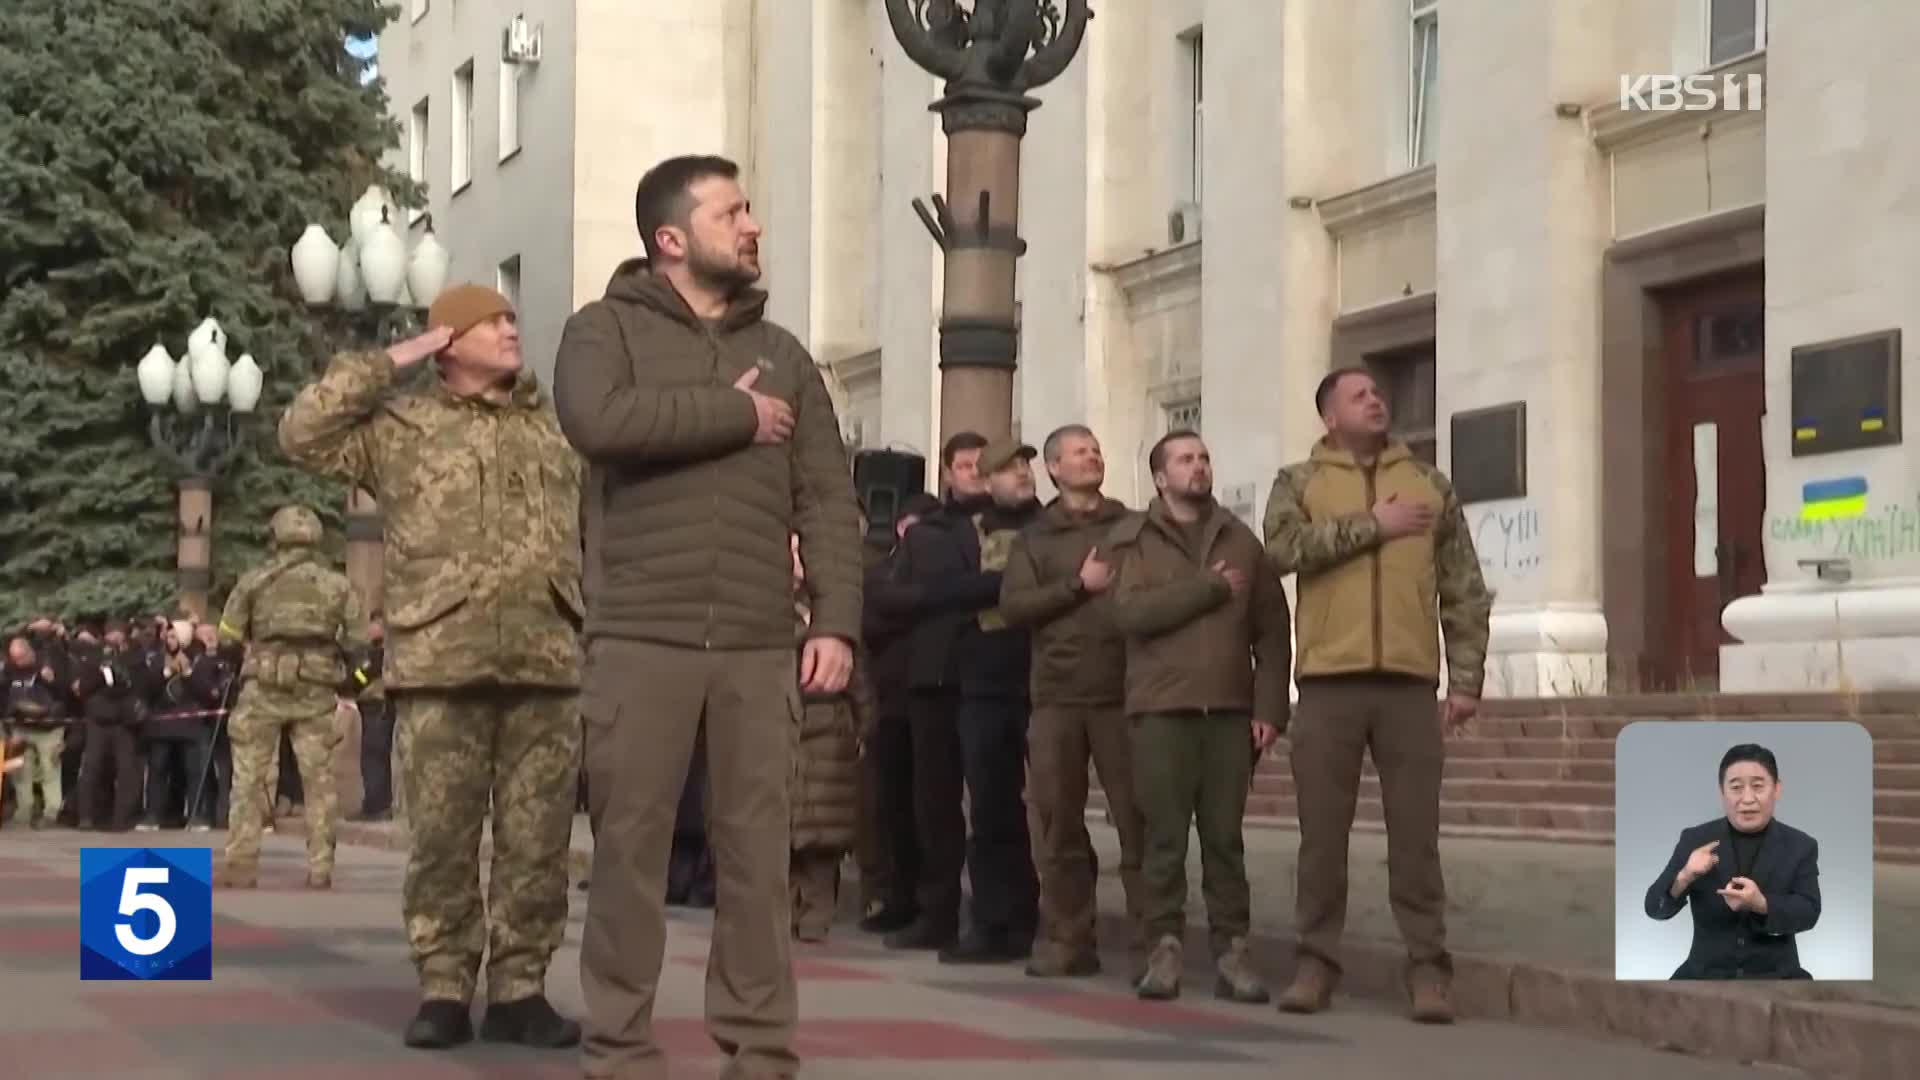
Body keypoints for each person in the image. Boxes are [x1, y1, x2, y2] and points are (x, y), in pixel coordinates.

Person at [551, 154, 861, 1080]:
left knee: (758, 857)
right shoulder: (602, 330)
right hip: (640, 637)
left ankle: (760, 1049)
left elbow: (830, 503)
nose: (753, 225)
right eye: (734, 212)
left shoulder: (789, 357)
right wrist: (731, 415)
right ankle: (619, 1049)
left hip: (761, 644)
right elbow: (597, 422)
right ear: (672, 239)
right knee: (629, 854)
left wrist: (837, 621)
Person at [280, 284, 586, 1051]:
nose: (514, 329)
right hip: (440, 658)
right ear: (449, 338)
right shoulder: (402, 424)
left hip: (545, 659)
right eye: (495, 320)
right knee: (443, 838)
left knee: (536, 840)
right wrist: (391, 360)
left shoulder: (554, 428)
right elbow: (301, 433)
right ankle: (445, 985)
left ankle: (521, 988)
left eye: (516, 317)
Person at [1262, 367, 1493, 1024]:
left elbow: (1464, 586)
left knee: (1416, 837)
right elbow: (1279, 550)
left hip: (1409, 687)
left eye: (1378, 393)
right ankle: (1314, 962)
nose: (1376, 400)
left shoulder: (1428, 484)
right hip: (1329, 686)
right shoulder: (1299, 482)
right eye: (1359, 395)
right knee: (1322, 838)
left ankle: (1428, 969)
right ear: (1330, 416)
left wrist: (1467, 678)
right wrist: (1372, 524)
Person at [1108, 431, 1290, 1004]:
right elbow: (1130, 614)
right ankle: (1163, 949)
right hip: (1161, 710)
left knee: (1224, 840)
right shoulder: (1133, 539)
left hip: (1229, 714)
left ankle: (1233, 952)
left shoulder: (1241, 540)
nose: (1199, 467)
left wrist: (1268, 709)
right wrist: (1207, 589)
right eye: (1185, 460)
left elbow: (1272, 631)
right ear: (1161, 478)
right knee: (1162, 839)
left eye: (1205, 457)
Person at [997, 424, 1144, 979]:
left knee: (1139, 821)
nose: (1092, 457)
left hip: (1124, 690)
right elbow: (1013, 608)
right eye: (1078, 452)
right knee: (1057, 823)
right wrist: (1076, 587)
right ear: (1054, 469)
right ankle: (1068, 937)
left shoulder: (1131, 528)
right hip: (1057, 695)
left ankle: (1150, 941)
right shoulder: (1035, 537)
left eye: (1097, 450)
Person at [871, 432, 990, 953]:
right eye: (964, 466)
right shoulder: (927, 533)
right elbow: (885, 599)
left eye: (982, 466)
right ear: (946, 472)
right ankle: (932, 910)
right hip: (930, 679)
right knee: (930, 805)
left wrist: (940, 598)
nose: (974, 474)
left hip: (990, 676)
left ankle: (995, 916)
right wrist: (970, 591)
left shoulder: (1006, 527)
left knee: (993, 806)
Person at [213, 507, 354, 890]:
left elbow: (227, 635)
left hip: (263, 686)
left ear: (274, 538)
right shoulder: (337, 586)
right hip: (316, 687)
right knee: (319, 781)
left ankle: (242, 864)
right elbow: (357, 641)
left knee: (249, 776)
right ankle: (321, 867)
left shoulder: (254, 581)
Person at [1644, 743, 1821, 980]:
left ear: (1777, 789)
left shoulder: (1801, 845)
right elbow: (1654, 909)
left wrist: (1762, 904)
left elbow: (1809, 912)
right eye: (1736, 787)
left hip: (1777, 976)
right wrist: (1685, 876)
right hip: (1704, 975)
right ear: (1722, 792)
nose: (1747, 799)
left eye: (1758, 786)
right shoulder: (1694, 839)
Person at [856, 490, 940, 933]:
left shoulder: (943, 569)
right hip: (891, 702)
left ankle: (929, 902)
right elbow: (874, 617)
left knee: (930, 807)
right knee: (892, 809)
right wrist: (927, 601)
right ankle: (897, 896)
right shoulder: (880, 572)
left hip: (934, 696)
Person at [789, 534, 864, 943]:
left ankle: (816, 915)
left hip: (829, 732)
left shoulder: (830, 614)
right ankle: (786, 912)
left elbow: (859, 678)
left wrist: (863, 726)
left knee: (823, 835)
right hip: (784, 727)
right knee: (783, 832)